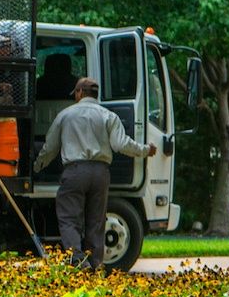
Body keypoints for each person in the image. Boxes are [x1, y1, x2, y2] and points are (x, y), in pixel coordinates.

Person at [34, 76, 156, 269]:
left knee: (69, 217)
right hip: (100, 173)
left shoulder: (65, 115)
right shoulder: (108, 116)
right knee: (96, 220)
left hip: (74, 172)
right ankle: (95, 262)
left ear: (80, 93)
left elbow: (50, 148)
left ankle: (78, 261)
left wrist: (36, 167)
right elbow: (121, 144)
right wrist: (145, 150)